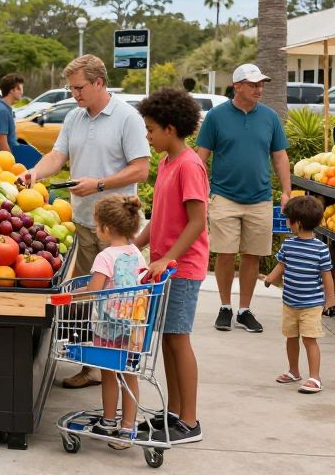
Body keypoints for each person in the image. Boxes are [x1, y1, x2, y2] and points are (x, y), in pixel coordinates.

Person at [21, 55, 150, 388]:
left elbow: (141, 169)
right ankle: (88, 365)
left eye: (79, 88)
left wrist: (100, 184)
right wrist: (35, 172)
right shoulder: (75, 118)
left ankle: (117, 365)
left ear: (99, 83)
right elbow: (57, 156)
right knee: (82, 297)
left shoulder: (127, 118)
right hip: (81, 222)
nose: (75, 94)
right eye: (71, 88)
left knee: (115, 301)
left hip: (116, 228)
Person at [135, 89, 209, 444]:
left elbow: (197, 220)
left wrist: (169, 258)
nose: (147, 136)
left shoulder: (190, 165)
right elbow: (160, 216)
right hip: (163, 268)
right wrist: (135, 246)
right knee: (168, 339)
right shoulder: (166, 163)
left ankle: (190, 422)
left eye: (150, 129)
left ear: (169, 128)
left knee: (179, 339)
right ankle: (176, 413)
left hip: (183, 268)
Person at [196, 64, 291, 334]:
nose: (259, 89)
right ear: (237, 86)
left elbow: (280, 156)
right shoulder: (216, 117)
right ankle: (225, 306)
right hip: (224, 196)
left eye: (261, 84)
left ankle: (244, 310)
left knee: (253, 255)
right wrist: (199, 192)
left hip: (260, 198)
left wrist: (286, 191)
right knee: (225, 253)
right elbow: (201, 158)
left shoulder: (270, 117)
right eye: (253, 85)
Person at [83, 195, 146, 449]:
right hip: (132, 328)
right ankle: (127, 428)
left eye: (97, 225)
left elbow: (94, 291)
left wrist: (68, 296)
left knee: (109, 374)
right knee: (129, 376)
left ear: (107, 229)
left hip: (108, 328)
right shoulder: (136, 255)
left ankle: (109, 421)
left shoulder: (105, 257)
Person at [264, 196, 335, 394]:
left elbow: (327, 275)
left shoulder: (320, 249)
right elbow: (282, 265)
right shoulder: (289, 245)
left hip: (311, 304)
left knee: (309, 339)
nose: (287, 223)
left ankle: (315, 377)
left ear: (299, 223)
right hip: (290, 302)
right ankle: (294, 371)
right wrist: (270, 278)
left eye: (289, 220)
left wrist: (330, 299)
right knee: (291, 337)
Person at [0, 73, 24, 153]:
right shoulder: (2, 111)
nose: (22, 92)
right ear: (12, 90)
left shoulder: (4, 107)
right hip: (6, 159)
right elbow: (1, 140)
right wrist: (11, 160)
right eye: (19, 89)